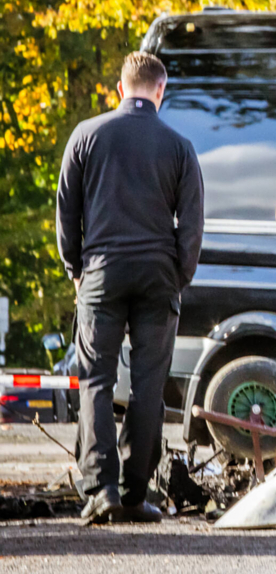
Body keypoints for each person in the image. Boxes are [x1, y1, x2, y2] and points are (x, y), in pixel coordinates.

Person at [57, 51, 205, 525]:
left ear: (120, 88)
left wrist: (75, 267)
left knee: (96, 380)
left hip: (101, 270)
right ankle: (136, 494)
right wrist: (179, 274)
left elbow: (67, 210)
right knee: (148, 385)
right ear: (160, 91)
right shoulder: (180, 147)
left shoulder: (86, 135)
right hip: (158, 275)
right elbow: (192, 224)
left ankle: (101, 489)